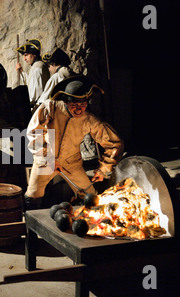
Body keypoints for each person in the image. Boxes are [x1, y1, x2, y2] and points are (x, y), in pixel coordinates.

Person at [24, 75, 124, 210]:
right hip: (46, 160)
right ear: (65, 102)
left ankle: (91, 224)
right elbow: (34, 132)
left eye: (83, 105)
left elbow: (114, 143)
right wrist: (48, 158)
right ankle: (32, 228)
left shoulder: (88, 119)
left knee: (91, 196)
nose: (79, 109)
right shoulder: (50, 108)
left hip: (72, 163)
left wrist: (103, 169)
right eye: (74, 105)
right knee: (33, 195)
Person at [15, 39, 50, 109]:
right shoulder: (37, 65)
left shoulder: (37, 68)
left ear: (34, 55)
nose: (24, 59)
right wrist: (21, 72)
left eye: (26, 55)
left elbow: (34, 94)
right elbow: (32, 82)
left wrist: (23, 103)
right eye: (24, 56)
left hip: (38, 107)